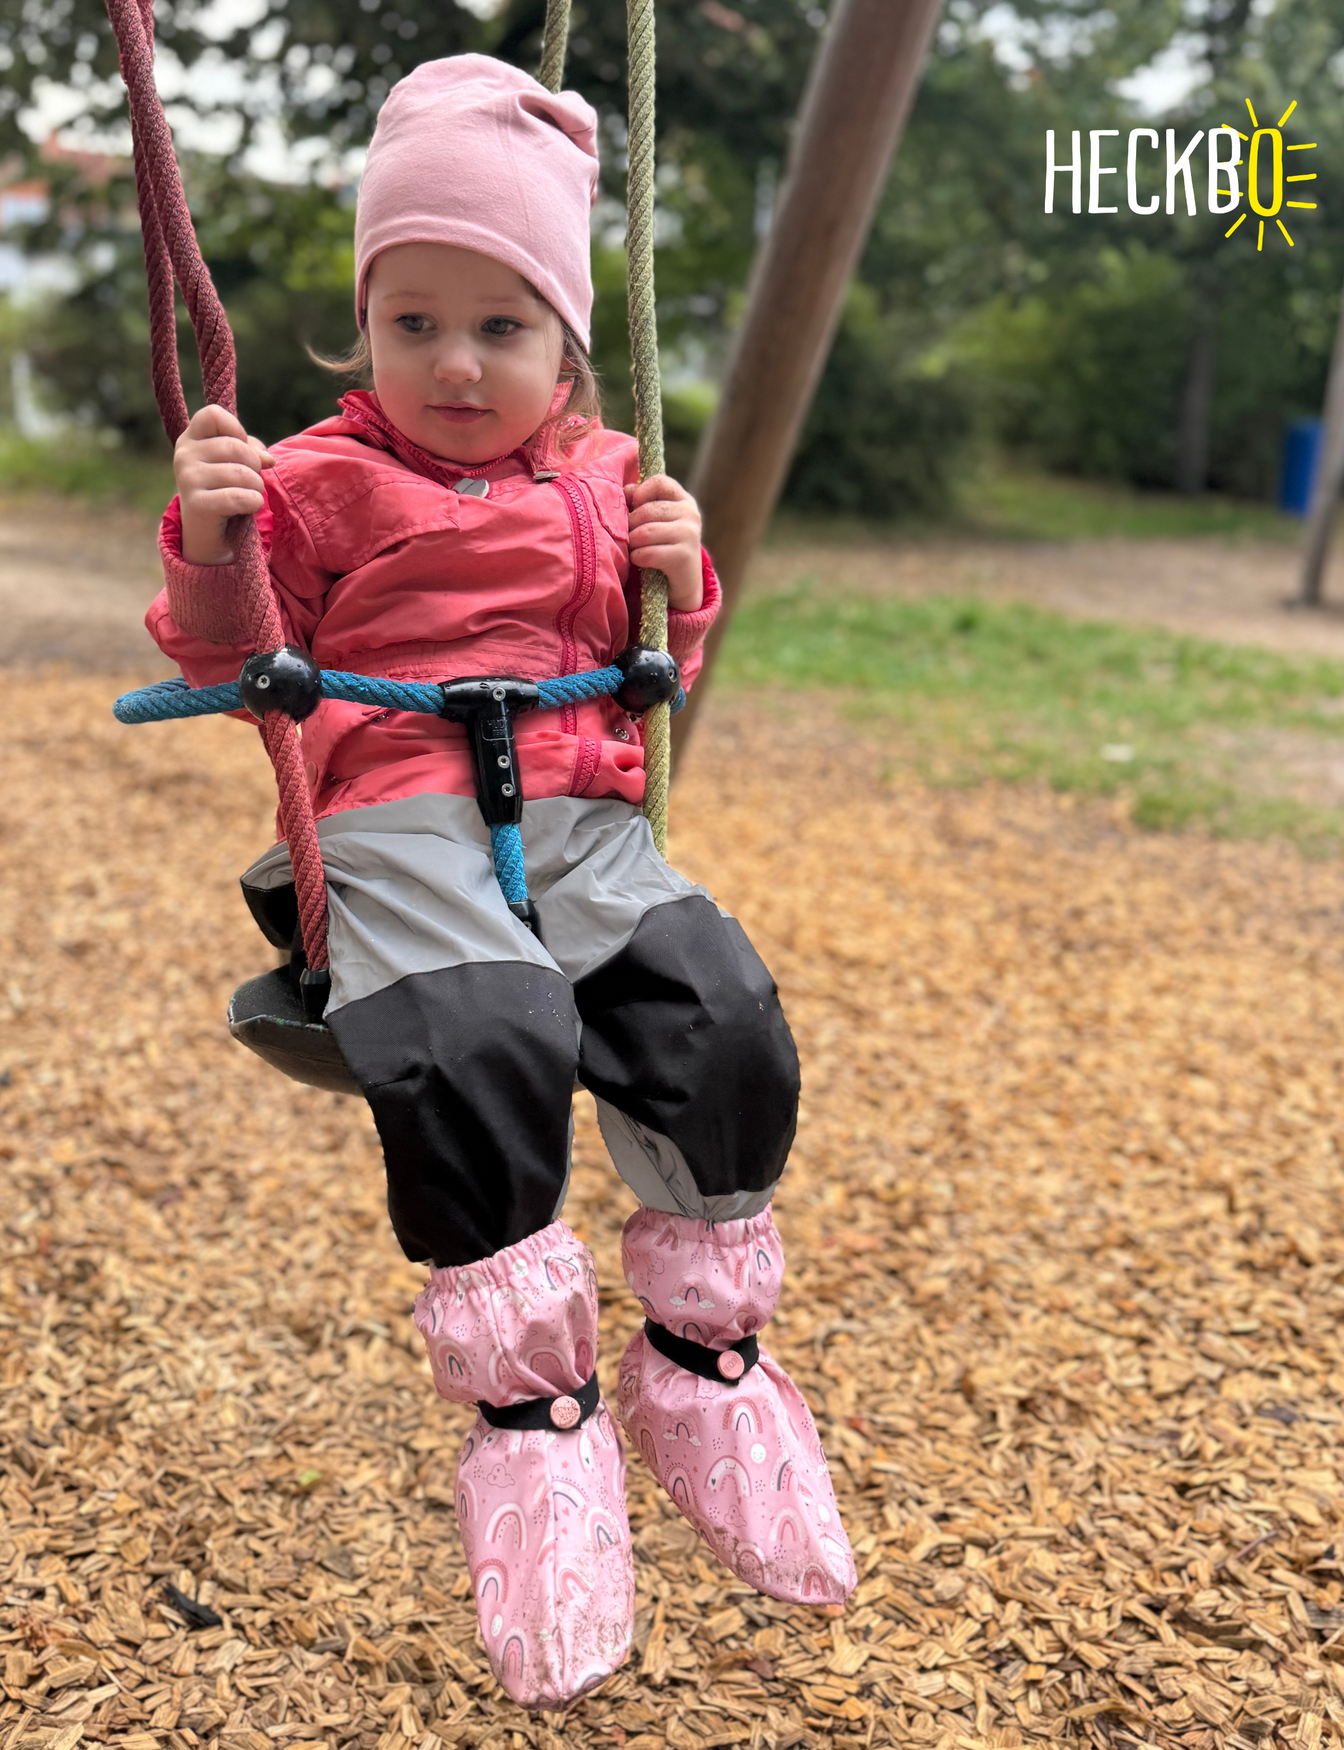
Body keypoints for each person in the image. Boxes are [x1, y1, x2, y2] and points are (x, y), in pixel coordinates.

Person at [147, 53, 855, 1711]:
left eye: (501, 327)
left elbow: (651, 660)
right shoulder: (319, 478)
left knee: (722, 1015)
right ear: (364, 328)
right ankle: (535, 1430)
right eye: (415, 323)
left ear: (567, 346)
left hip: (584, 811)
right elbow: (223, 645)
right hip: (395, 811)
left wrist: (687, 582)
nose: (456, 365)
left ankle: (703, 1365)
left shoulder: (608, 479)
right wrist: (208, 537)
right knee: (486, 1032)